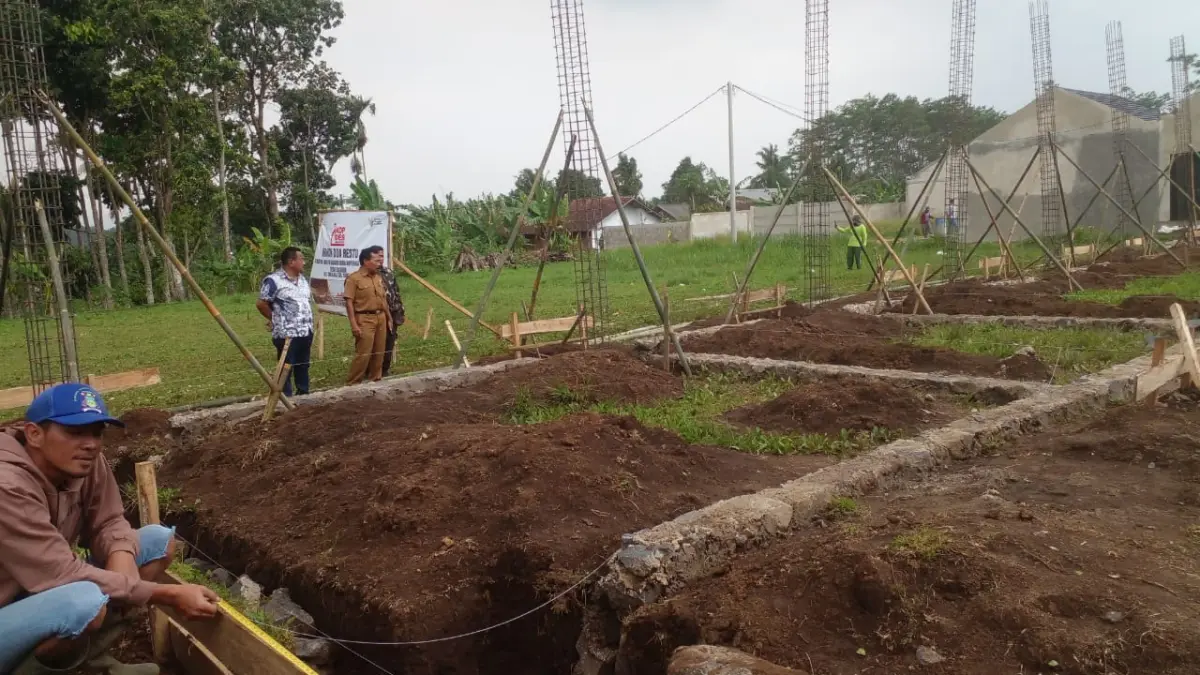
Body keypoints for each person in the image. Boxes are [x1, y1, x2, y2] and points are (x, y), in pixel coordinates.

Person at [0, 384, 219, 675]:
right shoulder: (7, 485)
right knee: (83, 602)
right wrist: (166, 593)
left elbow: (109, 521)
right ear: (34, 434)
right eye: (75, 432)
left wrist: (121, 556)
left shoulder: (85, 461)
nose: (91, 443)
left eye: (97, 432)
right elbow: (61, 575)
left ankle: (91, 663)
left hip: (32, 593)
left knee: (156, 540)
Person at [256, 247, 314, 396]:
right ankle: (285, 397)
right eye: (301, 259)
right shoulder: (274, 281)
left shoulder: (302, 280)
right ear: (291, 262)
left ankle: (303, 393)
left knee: (303, 364)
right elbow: (262, 303)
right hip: (286, 333)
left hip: (305, 330)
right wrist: (274, 318)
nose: (304, 262)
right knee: (286, 366)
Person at [344, 245, 391, 385]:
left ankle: (375, 380)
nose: (380, 263)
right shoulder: (354, 279)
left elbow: (383, 300)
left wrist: (389, 318)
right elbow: (349, 303)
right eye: (376, 260)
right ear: (366, 261)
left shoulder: (378, 277)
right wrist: (354, 324)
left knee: (379, 352)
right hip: (364, 319)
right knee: (363, 353)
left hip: (381, 317)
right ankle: (353, 383)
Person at [378, 264, 406, 378]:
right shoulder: (366, 275)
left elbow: (396, 291)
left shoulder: (388, 272)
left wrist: (400, 310)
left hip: (393, 312)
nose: (380, 259)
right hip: (377, 314)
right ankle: (370, 371)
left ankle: (385, 370)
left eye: (381, 256)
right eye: (377, 257)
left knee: (390, 341)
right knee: (375, 344)